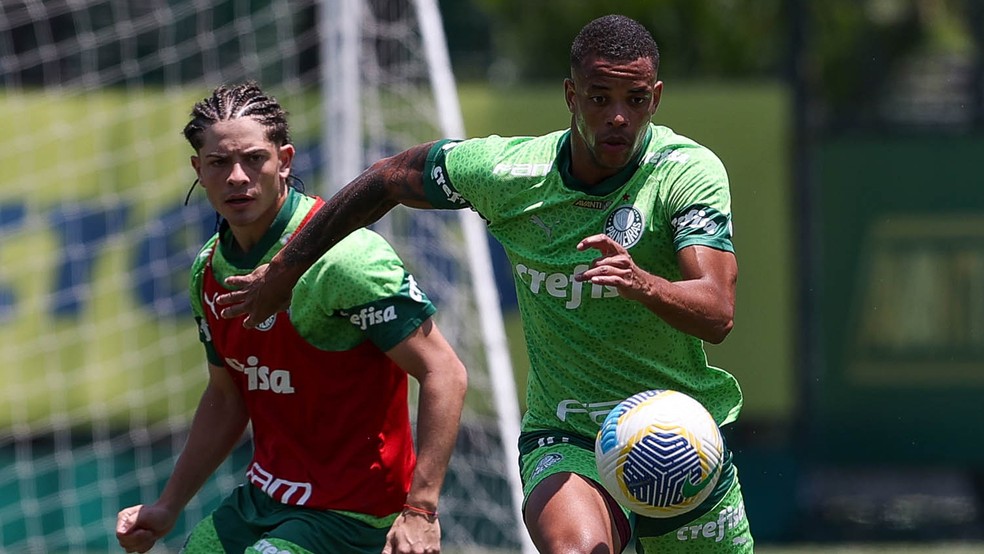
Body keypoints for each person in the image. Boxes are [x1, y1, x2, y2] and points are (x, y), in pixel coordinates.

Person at [217, 14, 754, 554]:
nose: (617, 116)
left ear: (655, 98)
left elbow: (717, 312)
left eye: (635, 99)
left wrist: (643, 283)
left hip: (678, 431)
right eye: (599, 97)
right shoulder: (510, 174)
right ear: (571, 94)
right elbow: (387, 179)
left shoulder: (685, 173)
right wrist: (286, 271)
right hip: (568, 434)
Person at [115, 82, 468, 554]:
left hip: (354, 514)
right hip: (263, 499)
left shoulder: (345, 258)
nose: (237, 177)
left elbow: (444, 371)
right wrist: (168, 505)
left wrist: (421, 510)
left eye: (254, 159)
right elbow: (226, 396)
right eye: (219, 163)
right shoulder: (207, 268)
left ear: (284, 160)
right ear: (198, 170)